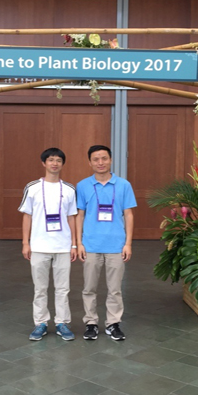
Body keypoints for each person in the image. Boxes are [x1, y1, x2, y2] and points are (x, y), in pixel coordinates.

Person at [76, 145, 136, 341]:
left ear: (110, 160)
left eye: (104, 158)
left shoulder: (123, 185)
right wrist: (79, 243)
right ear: (90, 162)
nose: (100, 162)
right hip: (91, 245)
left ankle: (113, 323)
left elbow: (128, 214)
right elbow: (79, 215)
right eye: (96, 159)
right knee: (89, 288)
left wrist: (128, 243)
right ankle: (91, 323)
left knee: (115, 289)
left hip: (116, 245)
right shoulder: (83, 186)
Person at [19, 148, 78, 341]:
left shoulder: (69, 189)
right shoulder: (32, 187)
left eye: (58, 160)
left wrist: (74, 245)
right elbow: (27, 216)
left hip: (62, 247)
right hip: (39, 246)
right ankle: (41, 323)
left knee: (63, 289)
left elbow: (72, 217)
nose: (54, 163)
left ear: (62, 164)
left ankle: (62, 323)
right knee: (40, 288)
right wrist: (25, 243)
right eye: (51, 160)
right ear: (43, 163)